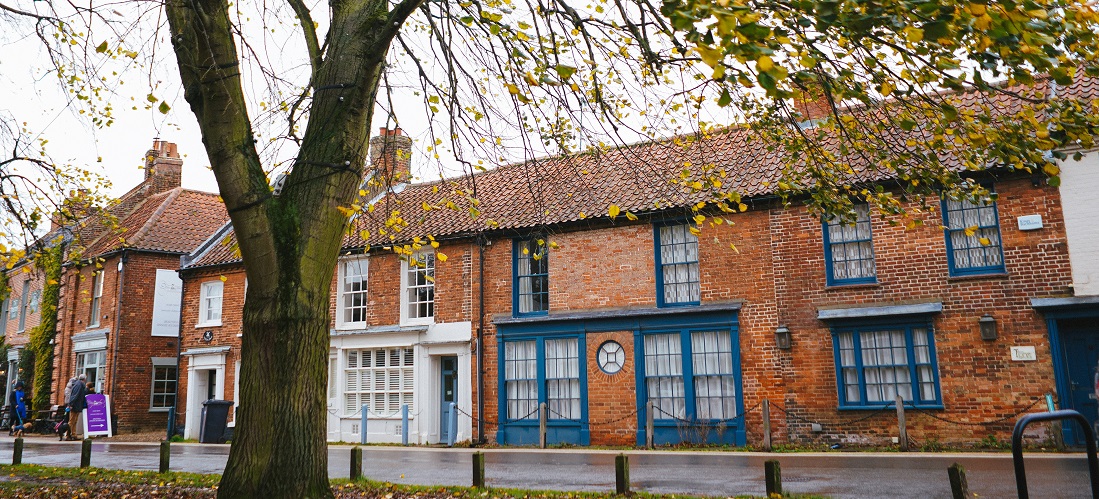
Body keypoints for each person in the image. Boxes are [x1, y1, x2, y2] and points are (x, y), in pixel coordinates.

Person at [67, 374, 87, 441]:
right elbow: (75, 395)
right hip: (75, 405)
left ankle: (73, 434)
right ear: (84, 379)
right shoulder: (79, 385)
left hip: (77, 405)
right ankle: (68, 435)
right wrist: (71, 404)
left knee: (75, 421)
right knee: (72, 421)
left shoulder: (79, 384)